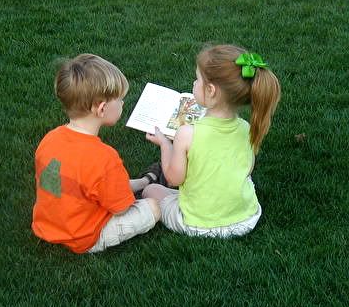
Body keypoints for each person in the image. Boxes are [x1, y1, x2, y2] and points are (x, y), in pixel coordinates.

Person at [142, 44, 281, 237]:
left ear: (211, 90)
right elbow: (247, 170)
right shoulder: (246, 129)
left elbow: (173, 179)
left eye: (198, 79)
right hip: (245, 219)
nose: (193, 83)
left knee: (152, 190)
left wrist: (166, 145)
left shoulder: (186, 133)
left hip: (198, 224)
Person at [32, 54, 161, 254]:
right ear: (101, 108)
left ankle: (145, 181)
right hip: (84, 236)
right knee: (152, 207)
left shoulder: (50, 139)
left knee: (107, 186)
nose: (123, 104)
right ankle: (148, 186)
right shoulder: (103, 157)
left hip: (49, 225)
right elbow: (121, 210)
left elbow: (58, 184)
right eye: (120, 99)